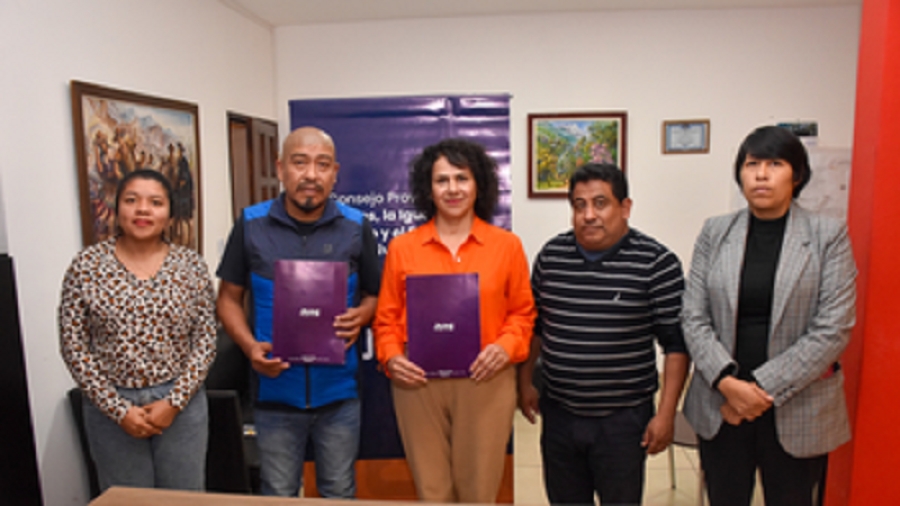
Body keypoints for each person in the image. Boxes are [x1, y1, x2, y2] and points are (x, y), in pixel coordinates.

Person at [681, 126, 856, 506]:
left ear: (797, 175)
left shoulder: (828, 236)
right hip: (721, 406)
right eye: (751, 164)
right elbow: (693, 316)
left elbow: (833, 328)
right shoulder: (715, 231)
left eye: (775, 164)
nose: (761, 175)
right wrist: (727, 383)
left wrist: (755, 391)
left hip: (798, 407)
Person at [216, 126, 380, 498]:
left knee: (339, 490)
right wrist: (249, 347)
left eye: (322, 165)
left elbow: (375, 294)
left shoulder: (356, 227)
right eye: (300, 162)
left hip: (339, 394)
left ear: (335, 172)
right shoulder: (251, 224)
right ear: (280, 168)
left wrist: (363, 315)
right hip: (274, 392)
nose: (311, 174)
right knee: (278, 492)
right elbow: (227, 299)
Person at [518, 163, 690, 506]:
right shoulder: (551, 257)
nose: (588, 215)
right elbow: (535, 328)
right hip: (560, 414)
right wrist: (524, 383)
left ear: (625, 207)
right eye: (579, 205)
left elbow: (676, 345)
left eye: (600, 203)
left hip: (622, 421)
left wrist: (666, 414)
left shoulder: (656, 263)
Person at [374, 138, 535, 503]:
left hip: (486, 379)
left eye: (462, 178)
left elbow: (523, 313)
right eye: (442, 180)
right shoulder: (403, 248)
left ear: (478, 184)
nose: (452, 189)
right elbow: (386, 319)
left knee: (479, 490)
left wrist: (505, 347)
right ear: (428, 188)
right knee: (432, 491)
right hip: (417, 384)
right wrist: (391, 357)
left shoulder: (507, 246)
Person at [59, 168, 216, 492]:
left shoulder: (191, 265)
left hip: (180, 404)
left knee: (184, 497)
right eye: (132, 200)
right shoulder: (86, 266)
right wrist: (118, 410)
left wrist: (174, 402)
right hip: (110, 406)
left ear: (169, 214)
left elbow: (205, 339)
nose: (143, 210)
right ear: (117, 209)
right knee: (128, 497)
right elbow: (73, 345)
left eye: (155, 202)